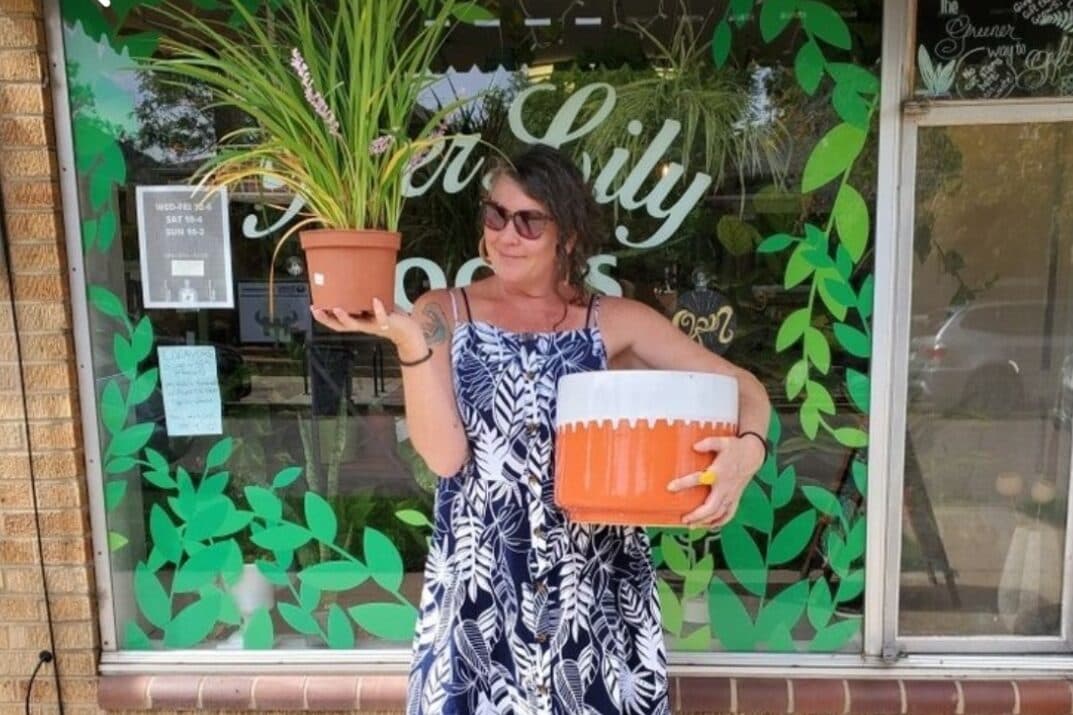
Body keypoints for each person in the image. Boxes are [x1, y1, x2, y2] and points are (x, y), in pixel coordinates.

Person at [311, 144, 771, 714]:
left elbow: (745, 389)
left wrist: (746, 454)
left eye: (529, 221)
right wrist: (410, 345)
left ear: (569, 236)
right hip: (481, 584)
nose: (506, 234)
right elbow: (446, 458)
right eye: (495, 215)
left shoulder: (612, 321)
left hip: (595, 584)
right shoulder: (442, 313)